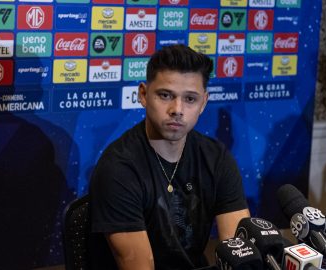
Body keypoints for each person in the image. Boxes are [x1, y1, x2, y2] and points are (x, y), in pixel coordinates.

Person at [89, 44, 250, 270]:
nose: (177, 109)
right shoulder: (118, 169)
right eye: (165, 95)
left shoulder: (217, 159)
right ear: (143, 95)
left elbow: (239, 254)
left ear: (203, 103)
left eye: (190, 99)